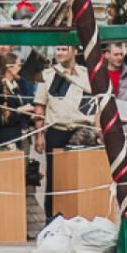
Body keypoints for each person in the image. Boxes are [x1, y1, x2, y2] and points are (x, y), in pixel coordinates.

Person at [33, 44, 93, 220]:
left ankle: (81, 216)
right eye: (57, 49)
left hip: (82, 132)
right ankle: (52, 219)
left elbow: (97, 103)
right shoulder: (48, 75)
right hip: (56, 132)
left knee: (82, 178)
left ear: (74, 51)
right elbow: (39, 107)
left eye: (64, 49)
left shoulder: (85, 74)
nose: (59, 53)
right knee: (54, 179)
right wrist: (39, 135)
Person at [0, 52, 34, 148]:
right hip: (7, 140)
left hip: (22, 137)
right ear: (10, 68)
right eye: (19, 65)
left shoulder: (17, 85)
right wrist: (19, 111)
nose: (21, 69)